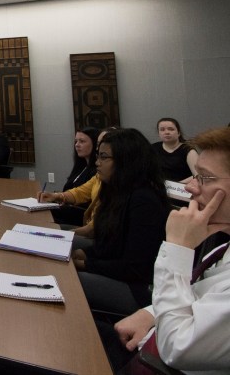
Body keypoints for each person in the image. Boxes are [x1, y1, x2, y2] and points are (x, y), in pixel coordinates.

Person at [112, 127, 230, 374]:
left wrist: (177, 248)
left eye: (205, 178)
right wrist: (152, 312)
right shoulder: (222, 247)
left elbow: (178, 348)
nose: (191, 187)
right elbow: (197, 296)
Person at [72, 128, 169, 316]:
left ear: (126, 161)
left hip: (137, 290)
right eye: (98, 156)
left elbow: (135, 268)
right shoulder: (118, 191)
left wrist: (84, 264)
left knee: (66, 282)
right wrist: (83, 254)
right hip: (120, 275)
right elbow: (110, 246)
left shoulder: (144, 200)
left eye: (103, 157)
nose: (97, 163)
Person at [48, 127, 100, 227]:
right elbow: (74, 191)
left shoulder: (97, 172)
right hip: (68, 212)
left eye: (82, 141)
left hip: (80, 218)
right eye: (76, 141)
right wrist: (56, 196)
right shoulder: (81, 167)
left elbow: (83, 199)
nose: (77, 145)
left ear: (95, 145)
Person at [152, 117, 197, 183]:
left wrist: (175, 185)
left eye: (171, 129)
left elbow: (198, 175)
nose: (166, 132)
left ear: (179, 133)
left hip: (183, 187)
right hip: (159, 187)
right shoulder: (152, 148)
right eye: (162, 130)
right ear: (159, 133)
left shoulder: (188, 150)